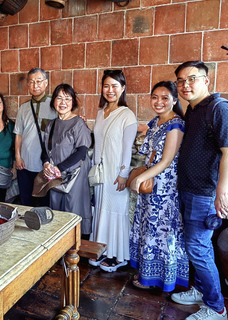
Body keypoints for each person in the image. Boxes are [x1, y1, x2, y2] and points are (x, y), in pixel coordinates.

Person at [170, 61, 228, 320]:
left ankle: (216, 307)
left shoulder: (220, 110)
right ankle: (200, 290)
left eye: (192, 79)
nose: (185, 85)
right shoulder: (194, 110)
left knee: (197, 247)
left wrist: (222, 192)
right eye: (180, 81)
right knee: (198, 247)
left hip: (206, 193)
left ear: (206, 80)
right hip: (189, 189)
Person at [129, 81, 189, 292]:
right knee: (148, 228)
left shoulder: (176, 124)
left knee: (162, 231)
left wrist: (139, 178)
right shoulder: (155, 121)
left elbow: (166, 160)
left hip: (164, 188)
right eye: (155, 97)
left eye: (165, 98)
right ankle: (148, 273)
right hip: (151, 184)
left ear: (174, 100)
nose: (159, 102)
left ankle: (164, 278)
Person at [89, 69, 138, 272]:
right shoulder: (101, 113)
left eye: (114, 86)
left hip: (117, 172)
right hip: (101, 172)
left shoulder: (127, 115)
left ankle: (118, 255)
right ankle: (101, 249)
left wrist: (123, 174)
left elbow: (127, 149)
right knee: (101, 210)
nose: (110, 90)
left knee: (116, 211)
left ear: (123, 88)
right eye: (106, 86)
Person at [41, 84, 92, 235]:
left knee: (73, 210)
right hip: (56, 177)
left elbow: (82, 151)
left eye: (67, 99)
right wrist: (46, 163)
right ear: (53, 101)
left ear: (73, 102)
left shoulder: (78, 123)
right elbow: (45, 150)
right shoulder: (51, 124)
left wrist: (60, 167)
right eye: (59, 98)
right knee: (57, 211)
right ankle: (60, 252)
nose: (63, 102)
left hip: (74, 176)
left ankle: (74, 252)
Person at [14, 68, 57, 207]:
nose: (35, 85)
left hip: (46, 165)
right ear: (28, 85)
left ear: (46, 83)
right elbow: (18, 134)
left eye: (39, 81)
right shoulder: (23, 108)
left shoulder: (55, 105)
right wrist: (18, 156)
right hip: (25, 164)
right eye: (31, 82)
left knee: (44, 203)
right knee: (26, 201)